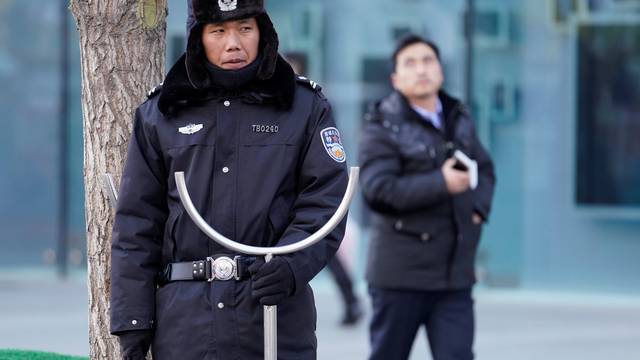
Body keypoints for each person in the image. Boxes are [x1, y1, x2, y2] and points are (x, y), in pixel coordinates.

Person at [109, 0, 349, 359]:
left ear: (262, 32)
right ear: (197, 38)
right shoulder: (162, 112)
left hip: (273, 316)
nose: (233, 43)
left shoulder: (304, 107)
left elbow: (326, 201)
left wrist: (291, 265)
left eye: (245, 29)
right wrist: (133, 321)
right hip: (185, 324)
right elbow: (137, 222)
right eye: (218, 31)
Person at [359, 34, 496, 360]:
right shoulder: (381, 126)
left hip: (454, 277)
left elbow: (486, 169)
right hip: (400, 276)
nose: (421, 69)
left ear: (440, 71)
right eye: (410, 63)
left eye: (428, 61)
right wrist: (441, 183)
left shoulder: (458, 117)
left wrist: (478, 209)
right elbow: (377, 190)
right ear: (395, 78)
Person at [283, 51, 363, 326]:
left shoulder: (314, 104)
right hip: (286, 193)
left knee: (322, 250)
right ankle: (351, 300)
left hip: (309, 192)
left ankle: (351, 300)